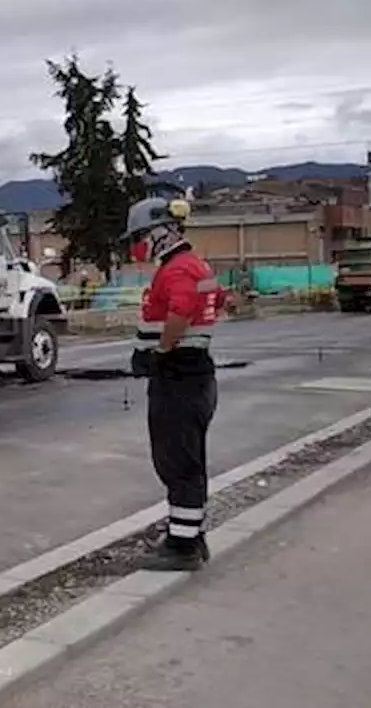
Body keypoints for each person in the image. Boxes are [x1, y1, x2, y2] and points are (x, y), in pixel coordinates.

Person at [124, 197, 224, 572]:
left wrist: (161, 352)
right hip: (194, 374)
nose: (137, 245)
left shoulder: (178, 269)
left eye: (139, 236)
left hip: (179, 376)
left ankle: (182, 547)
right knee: (187, 460)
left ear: (159, 233)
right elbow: (216, 301)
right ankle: (189, 533)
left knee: (177, 462)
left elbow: (180, 312)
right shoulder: (197, 266)